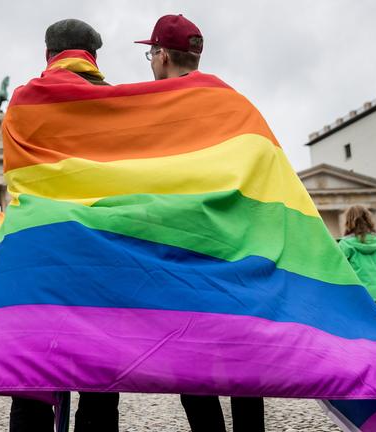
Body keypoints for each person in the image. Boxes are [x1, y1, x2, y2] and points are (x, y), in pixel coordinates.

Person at [136, 14, 266, 432]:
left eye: (149, 53)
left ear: (162, 55)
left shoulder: (151, 110)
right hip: (235, 257)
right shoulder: (235, 103)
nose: (150, 62)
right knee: (245, 366)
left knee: (192, 365)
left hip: (181, 260)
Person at [7, 18, 119, 432]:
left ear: (48, 55)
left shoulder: (22, 101)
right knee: (99, 381)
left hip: (39, 255)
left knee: (36, 378)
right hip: (100, 256)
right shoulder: (117, 102)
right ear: (94, 56)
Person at [338, 205, 376, 317]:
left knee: (359, 333)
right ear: (368, 219)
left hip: (357, 294)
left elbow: (341, 269)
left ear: (348, 221)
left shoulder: (345, 243)